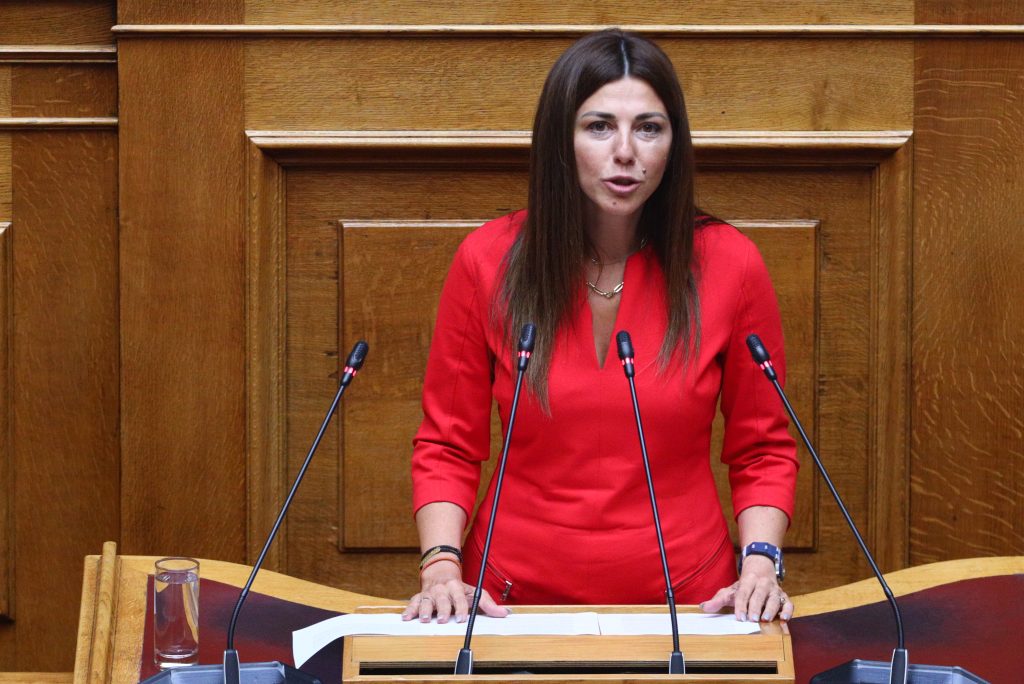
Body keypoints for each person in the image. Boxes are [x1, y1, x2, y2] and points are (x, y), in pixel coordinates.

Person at [402, 29, 798, 626]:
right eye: (599, 126)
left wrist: (761, 565)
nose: (625, 152)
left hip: (689, 602)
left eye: (649, 128)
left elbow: (762, 448)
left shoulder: (730, 264)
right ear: (560, 140)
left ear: (674, 143)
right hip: (507, 603)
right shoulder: (487, 260)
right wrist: (440, 569)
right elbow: (447, 444)